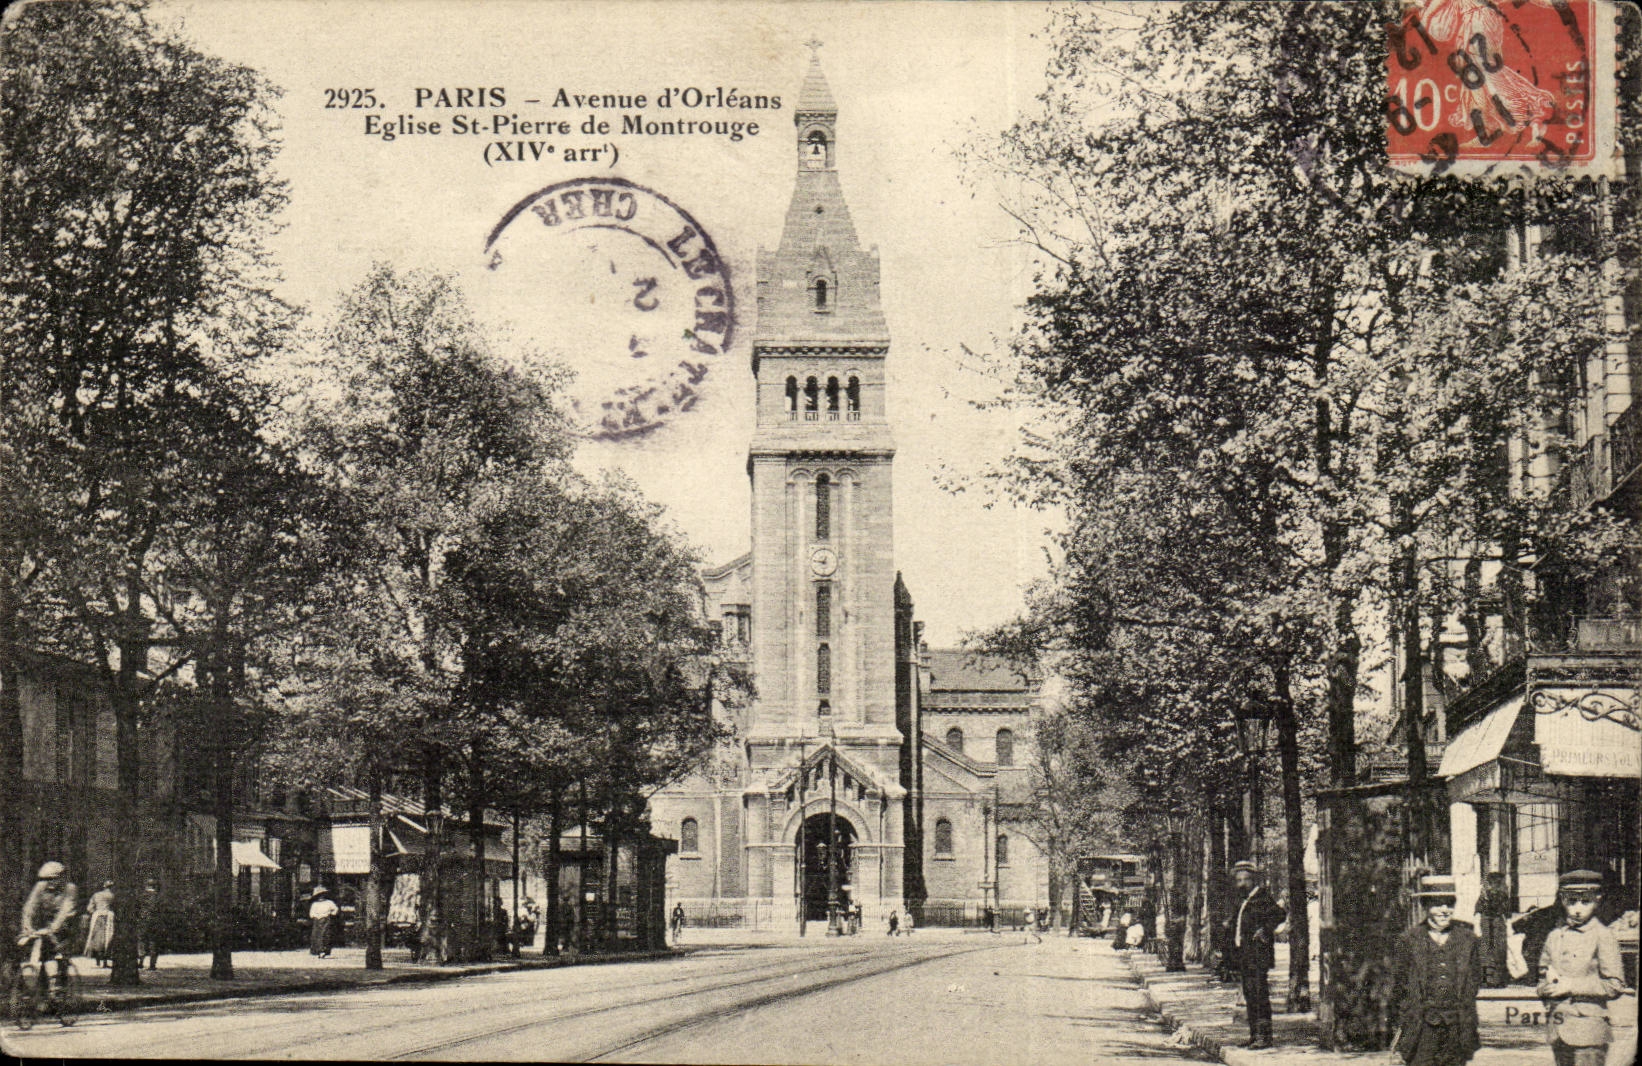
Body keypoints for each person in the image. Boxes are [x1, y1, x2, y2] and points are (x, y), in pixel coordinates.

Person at [1537, 870, 1624, 1066]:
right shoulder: (1554, 936)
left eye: (1585, 902)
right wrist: (1545, 988)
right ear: (1562, 900)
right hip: (1558, 1028)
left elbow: (1615, 985)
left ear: (1597, 900)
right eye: (1571, 901)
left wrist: (1571, 986)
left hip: (1589, 1032)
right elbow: (1542, 977)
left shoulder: (1603, 935)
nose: (1577, 909)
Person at [1392, 875, 1481, 1066]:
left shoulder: (1468, 940)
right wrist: (1407, 1020)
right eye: (1437, 904)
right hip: (1421, 1028)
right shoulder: (1409, 940)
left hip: (1457, 1027)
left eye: (1449, 904)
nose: (1444, 910)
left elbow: (1474, 982)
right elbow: (1398, 986)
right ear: (1425, 905)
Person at [1228, 859, 1285, 1049]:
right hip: (1245, 955)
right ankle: (1254, 1034)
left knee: (1260, 994)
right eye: (1238, 880)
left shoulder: (1262, 898)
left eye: (1244, 880)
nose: (1241, 884)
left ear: (1253, 880)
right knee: (1250, 994)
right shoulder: (1244, 901)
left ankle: (1264, 1037)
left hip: (1258, 955)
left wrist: (1265, 930)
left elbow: (1279, 914)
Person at [19, 861, 78, 993]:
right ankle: (45, 985)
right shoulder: (40, 887)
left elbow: (66, 911)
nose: (48, 882)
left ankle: (61, 982)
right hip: (47, 926)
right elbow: (29, 907)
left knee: (60, 954)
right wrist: (27, 927)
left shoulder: (70, 889)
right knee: (44, 954)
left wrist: (53, 929)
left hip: (66, 927)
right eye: (45, 879)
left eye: (52, 879)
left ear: (61, 878)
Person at [1475, 872, 1512, 988]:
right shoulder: (1502, 893)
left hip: (1489, 923)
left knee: (1488, 952)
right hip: (1495, 924)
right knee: (1496, 952)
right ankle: (1496, 980)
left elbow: (1478, 910)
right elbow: (1507, 913)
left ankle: (1487, 980)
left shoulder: (1485, 894)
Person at [82, 879, 116, 967]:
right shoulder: (113, 896)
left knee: (96, 937)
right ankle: (104, 961)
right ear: (111, 887)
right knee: (107, 937)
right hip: (108, 916)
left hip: (97, 916)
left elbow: (89, 908)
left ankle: (97, 960)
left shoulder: (96, 895)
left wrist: (95, 911)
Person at [137, 878, 162, 971]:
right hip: (155, 921)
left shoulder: (142, 896)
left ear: (146, 885)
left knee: (141, 940)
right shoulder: (158, 897)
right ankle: (152, 964)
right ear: (154, 886)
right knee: (153, 942)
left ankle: (141, 962)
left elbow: (137, 908)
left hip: (143, 920)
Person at [308, 886, 338, 958]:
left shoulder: (329, 903)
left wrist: (331, 914)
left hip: (325, 919)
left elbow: (335, 909)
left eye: (322, 895)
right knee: (316, 935)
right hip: (317, 920)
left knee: (325, 934)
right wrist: (315, 916)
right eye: (319, 895)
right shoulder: (315, 904)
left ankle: (324, 950)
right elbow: (311, 913)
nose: (321, 897)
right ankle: (317, 950)